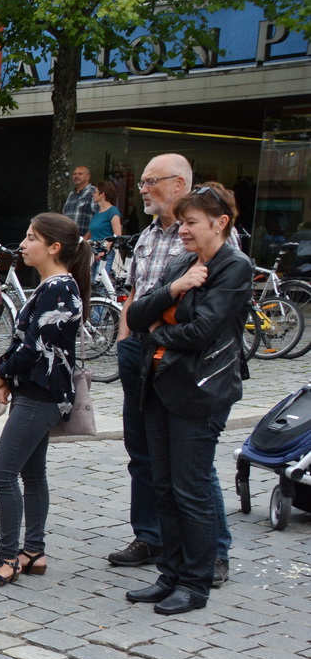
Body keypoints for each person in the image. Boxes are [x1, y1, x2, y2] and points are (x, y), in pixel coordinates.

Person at [122, 182, 250, 615]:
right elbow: (137, 315)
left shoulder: (234, 267)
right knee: (163, 486)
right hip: (158, 384)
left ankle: (195, 583)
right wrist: (174, 289)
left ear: (220, 223)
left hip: (201, 390)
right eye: (181, 223)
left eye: (192, 223)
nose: (183, 231)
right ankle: (169, 576)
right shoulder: (182, 263)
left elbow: (203, 332)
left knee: (190, 488)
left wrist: (160, 332)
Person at [108, 153, 232, 586]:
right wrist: (130, 337)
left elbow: (207, 324)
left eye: (150, 181)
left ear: (179, 184)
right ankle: (152, 539)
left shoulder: (222, 248)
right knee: (146, 457)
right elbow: (136, 299)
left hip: (188, 369)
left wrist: (152, 329)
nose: (142, 188)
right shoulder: (146, 239)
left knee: (193, 471)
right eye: (141, 181)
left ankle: (212, 553)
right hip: (140, 357)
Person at [0, 213, 88, 588]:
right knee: (31, 472)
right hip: (36, 389)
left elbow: (34, 345)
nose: (23, 244)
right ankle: (33, 551)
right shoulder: (52, 285)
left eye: (31, 238)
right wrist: (11, 377)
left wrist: (2, 374)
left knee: (3, 473)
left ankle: (8, 557)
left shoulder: (60, 288)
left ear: (53, 247)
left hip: (41, 393)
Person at [61, 166, 95, 235]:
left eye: (80, 174)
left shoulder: (93, 192)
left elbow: (98, 217)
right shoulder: (71, 194)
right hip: (68, 238)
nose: (76, 176)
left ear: (88, 177)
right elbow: (64, 215)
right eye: (74, 174)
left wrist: (86, 238)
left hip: (84, 239)